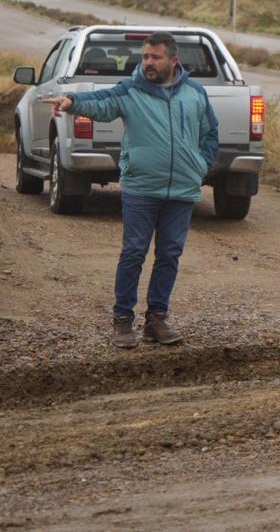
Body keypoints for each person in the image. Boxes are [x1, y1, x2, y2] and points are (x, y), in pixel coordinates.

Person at [49, 32, 219, 348]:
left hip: (182, 190)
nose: (148, 63)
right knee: (134, 252)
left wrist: (199, 166)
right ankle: (122, 320)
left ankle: (156, 319)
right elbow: (101, 103)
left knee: (169, 254)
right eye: (145, 57)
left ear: (173, 60)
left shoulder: (195, 94)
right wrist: (71, 103)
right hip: (141, 187)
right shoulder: (132, 90)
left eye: (155, 57)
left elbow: (211, 134)